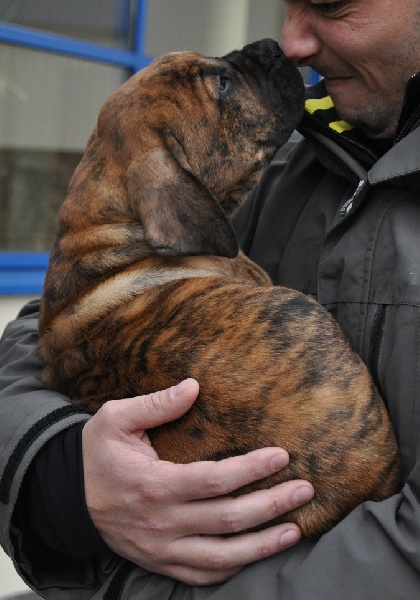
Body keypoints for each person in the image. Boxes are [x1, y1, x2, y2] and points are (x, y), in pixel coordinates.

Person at [1, 0, 420, 597]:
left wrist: (138, 590)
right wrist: (63, 471)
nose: (291, 42)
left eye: (331, 4)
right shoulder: (279, 161)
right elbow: (62, 322)